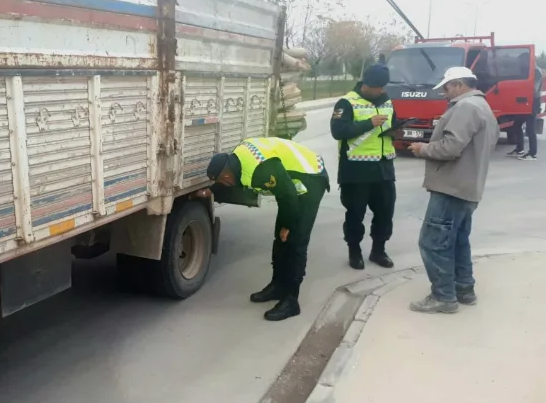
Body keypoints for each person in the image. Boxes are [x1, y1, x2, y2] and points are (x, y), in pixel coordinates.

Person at [205, 137, 329, 321]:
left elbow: (289, 195)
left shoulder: (261, 170)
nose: (225, 184)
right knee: (280, 239)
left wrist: (287, 226)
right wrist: (211, 190)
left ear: (228, 175)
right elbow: (283, 192)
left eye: (223, 181)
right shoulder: (236, 160)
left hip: (310, 178)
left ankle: (291, 300)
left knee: (295, 242)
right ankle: (278, 286)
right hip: (290, 184)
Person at [408, 67, 499, 314]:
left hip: (452, 188)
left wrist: (423, 149)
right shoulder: (483, 107)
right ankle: (463, 289)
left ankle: (443, 297)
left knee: (432, 242)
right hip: (468, 187)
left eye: (446, 88)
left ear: (459, 84)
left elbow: (450, 147)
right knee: (457, 241)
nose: (444, 94)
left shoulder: (466, 107)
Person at [330, 64, 397, 270]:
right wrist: (370, 123)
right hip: (356, 170)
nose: (382, 91)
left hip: (383, 167)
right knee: (355, 213)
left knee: (385, 213)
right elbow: (338, 131)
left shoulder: (386, 101)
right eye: (378, 87)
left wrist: (397, 131)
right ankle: (354, 252)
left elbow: (394, 122)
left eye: (383, 87)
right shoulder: (347, 102)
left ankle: (378, 250)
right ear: (367, 85)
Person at [507, 66, 543, 160]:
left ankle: (532, 154)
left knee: (530, 129)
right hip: (525, 101)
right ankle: (520, 149)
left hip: (532, 101)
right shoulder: (528, 70)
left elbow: (534, 89)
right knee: (516, 124)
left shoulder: (536, 72)